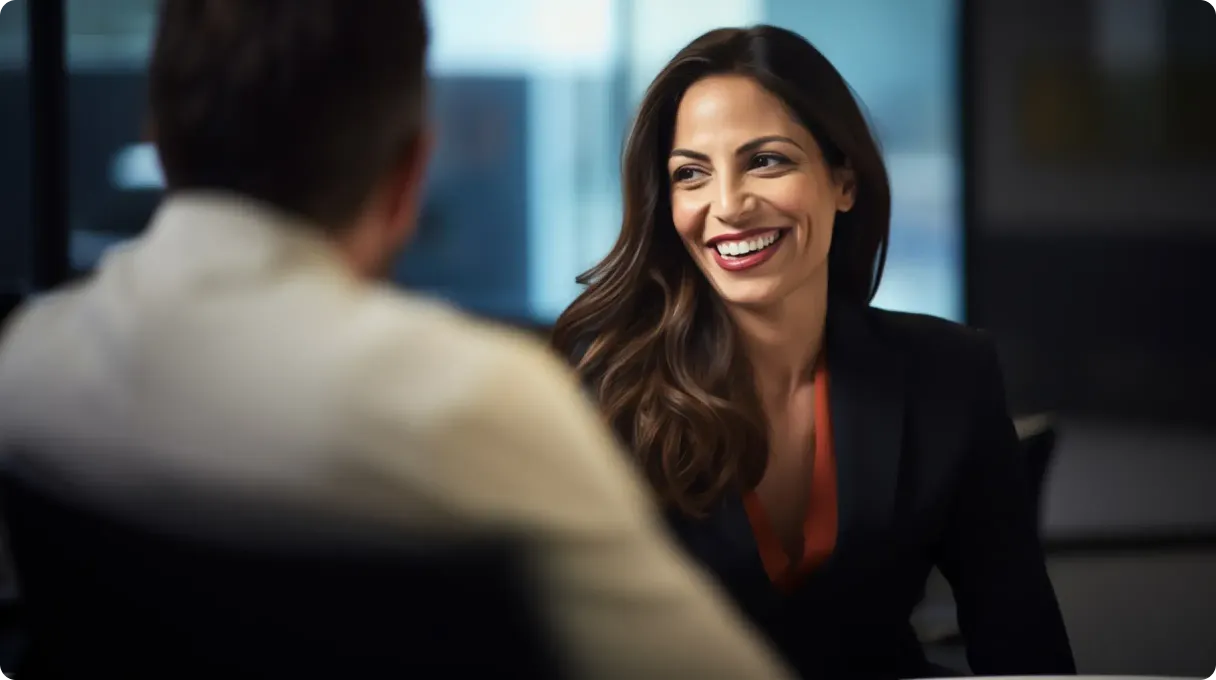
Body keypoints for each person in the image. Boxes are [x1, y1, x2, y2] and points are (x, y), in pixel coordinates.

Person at [0, 4, 795, 679]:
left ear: (158, 140)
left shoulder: (29, 364)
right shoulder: (477, 407)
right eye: (690, 172)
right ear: (410, 176)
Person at [551, 25, 1076, 679]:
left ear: (844, 182)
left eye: (766, 160)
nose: (728, 205)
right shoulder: (608, 393)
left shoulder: (950, 373)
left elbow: (1022, 643)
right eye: (692, 173)